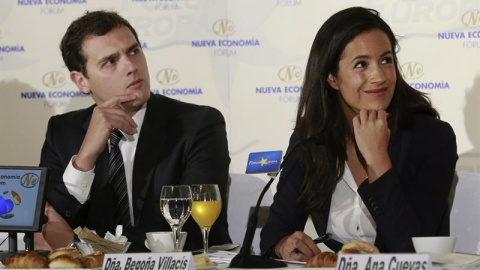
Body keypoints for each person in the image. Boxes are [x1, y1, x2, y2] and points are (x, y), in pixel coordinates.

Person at [260, 7, 457, 261]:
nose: (379, 76)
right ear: (332, 77)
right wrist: (284, 244)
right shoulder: (311, 138)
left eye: (386, 60)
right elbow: (274, 232)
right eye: (361, 64)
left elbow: (414, 253)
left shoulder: (431, 138)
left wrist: (378, 161)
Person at [39, 10, 231, 252]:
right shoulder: (61, 132)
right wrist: (84, 160)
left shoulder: (197, 124)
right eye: (110, 61)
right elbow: (46, 226)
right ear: (81, 81)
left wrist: (83, 246)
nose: (131, 66)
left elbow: (188, 231)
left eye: (133, 51)